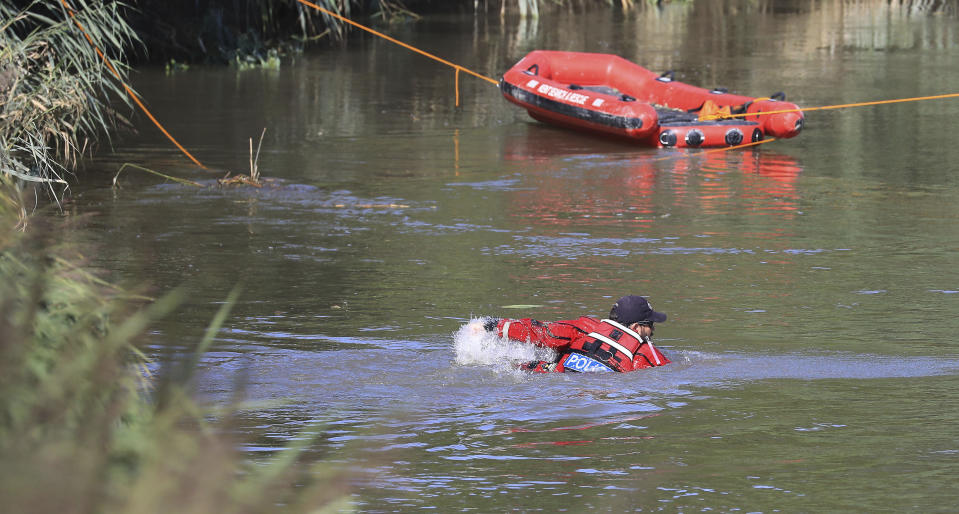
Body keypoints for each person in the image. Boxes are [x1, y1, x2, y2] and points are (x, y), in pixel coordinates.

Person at [483, 295, 670, 373]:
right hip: (593, 396)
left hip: (553, 379)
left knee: (519, 366)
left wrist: (493, 325)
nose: (652, 330)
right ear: (636, 328)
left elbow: (544, 333)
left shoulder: (587, 327)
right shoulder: (646, 354)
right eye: (650, 324)